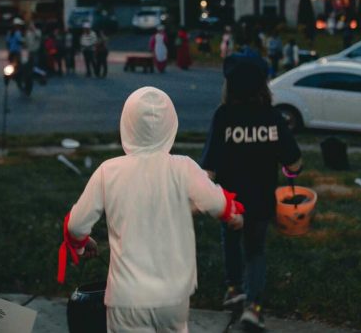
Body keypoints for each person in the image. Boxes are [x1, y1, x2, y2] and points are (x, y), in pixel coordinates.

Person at [59, 87, 246, 332]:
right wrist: (234, 216)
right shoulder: (184, 168)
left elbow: (75, 226)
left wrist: (82, 243)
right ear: (171, 125)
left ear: (126, 124)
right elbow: (218, 203)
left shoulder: (108, 171)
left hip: (126, 297)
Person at [200, 54, 303, 330]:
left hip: (230, 200)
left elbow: (209, 167)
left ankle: (234, 289)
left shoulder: (223, 117)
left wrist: (202, 195)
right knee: (255, 251)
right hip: (260, 200)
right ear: (263, 86)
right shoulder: (272, 117)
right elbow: (294, 162)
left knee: (231, 241)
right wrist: (290, 171)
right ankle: (253, 307)